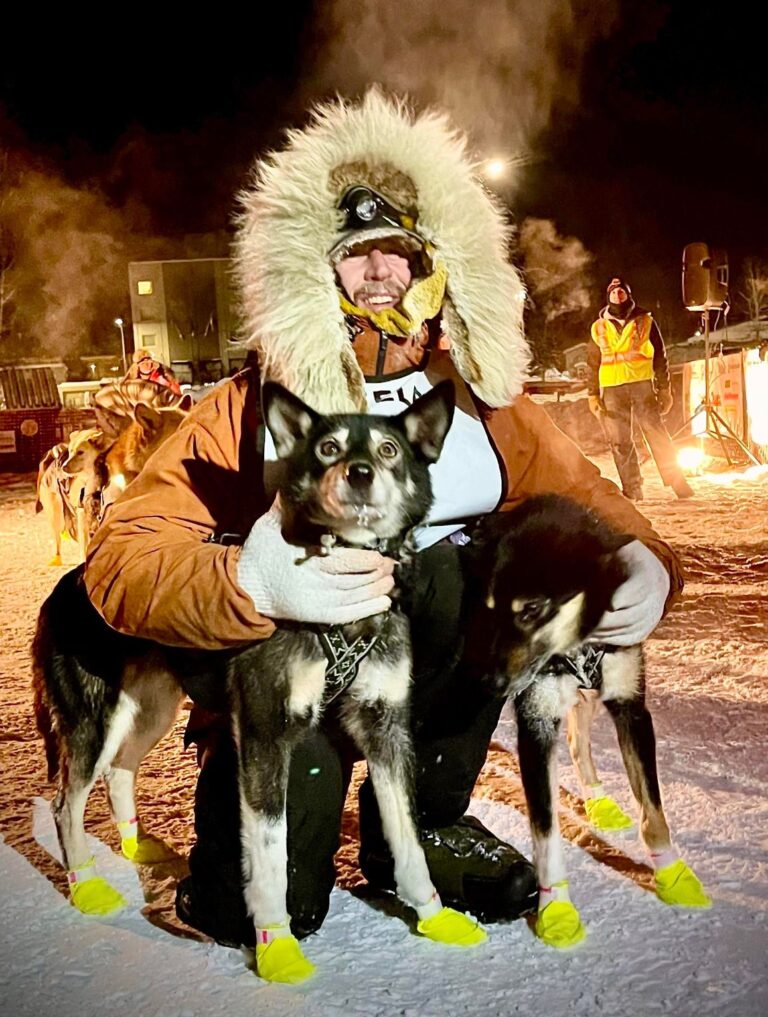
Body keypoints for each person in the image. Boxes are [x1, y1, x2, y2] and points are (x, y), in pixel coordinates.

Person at [84, 90, 684, 948]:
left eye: (398, 252)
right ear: (316, 268)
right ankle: (271, 836)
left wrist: (645, 558)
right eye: (354, 253)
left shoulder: (480, 396)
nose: (378, 272)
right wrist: (244, 581)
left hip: (430, 676)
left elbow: (586, 494)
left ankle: (428, 817)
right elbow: (123, 556)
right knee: (273, 908)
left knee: (459, 573)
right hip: (299, 684)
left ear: (432, 265)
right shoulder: (251, 405)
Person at [587, 278, 693, 500]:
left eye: (621, 291)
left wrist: (665, 388)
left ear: (628, 295)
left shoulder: (645, 321)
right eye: (613, 291)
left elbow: (660, 356)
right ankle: (633, 489)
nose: (617, 295)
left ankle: (678, 483)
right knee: (619, 441)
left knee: (656, 434)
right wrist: (593, 394)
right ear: (608, 296)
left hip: (641, 385)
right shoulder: (598, 327)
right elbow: (593, 364)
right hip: (612, 389)